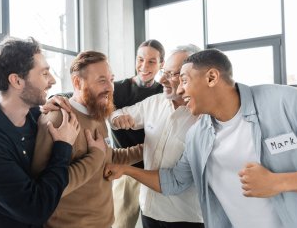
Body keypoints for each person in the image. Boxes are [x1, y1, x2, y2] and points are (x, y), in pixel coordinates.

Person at [104, 48, 297, 228]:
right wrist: (125, 170)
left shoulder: (288, 104)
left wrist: (278, 182)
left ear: (211, 77)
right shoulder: (198, 135)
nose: (180, 89)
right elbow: (174, 180)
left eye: (183, 80)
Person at [0, 37, 81, 228]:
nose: (52, 80)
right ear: (17, 80)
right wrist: (63, 146)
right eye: (44, 73)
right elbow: (36, 209)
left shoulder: (36, 118)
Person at [48, 39, 165, 228]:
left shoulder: (163, 94)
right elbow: (80, 93)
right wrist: (55, 99)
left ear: (162, 64)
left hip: (152, 167)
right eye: (140, 59)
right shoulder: (115, 89)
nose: (144, 66)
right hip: (120, 171)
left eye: (152, 61)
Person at [31, 50, 144, 228]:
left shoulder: (97, 115)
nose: (110, 87)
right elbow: (47, 188)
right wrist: (95, 156)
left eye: (111, 79)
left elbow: (107, 156)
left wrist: (147, 149)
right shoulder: (57, 119)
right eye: (101, 80)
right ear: (77, 82)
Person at [109, 44, 204, 228]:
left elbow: (177, 179)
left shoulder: (204, 118)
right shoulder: (154, 102)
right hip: (149, 210)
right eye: (164, 72)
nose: (162, 79)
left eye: (172, 74)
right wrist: (118, 118)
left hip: (184, 217)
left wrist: (126, 169)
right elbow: (117, 114)